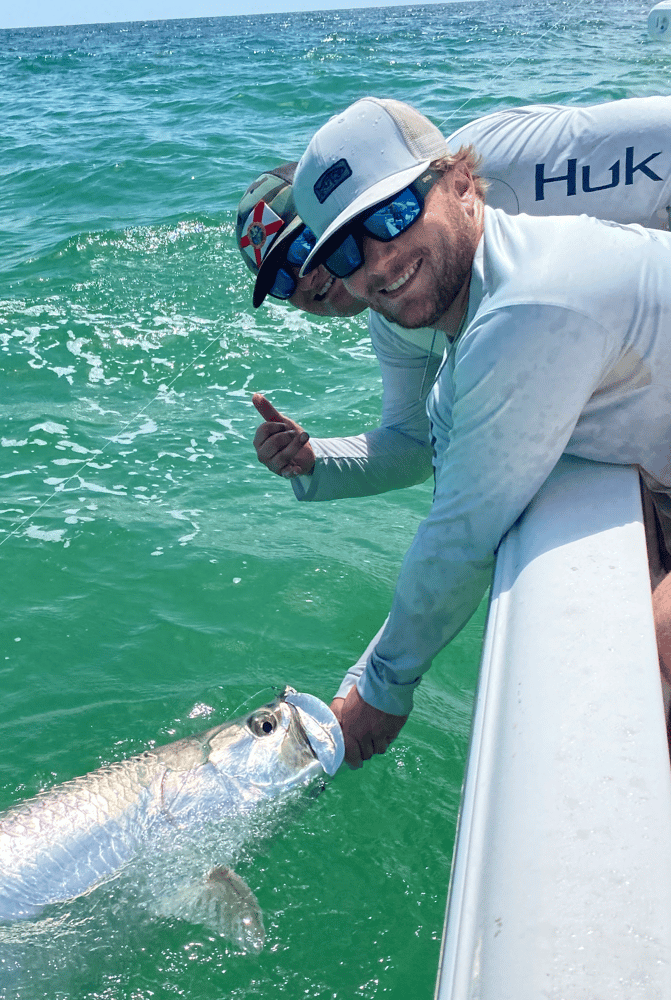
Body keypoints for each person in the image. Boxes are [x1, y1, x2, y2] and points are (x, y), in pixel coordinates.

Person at [278, 96, 671, 768]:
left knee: (644, 665)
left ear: (461, 181)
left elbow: (461, 536)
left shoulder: (526, 305)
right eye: (345, 249)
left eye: (395, 213)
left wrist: (382, 693)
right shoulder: (475, 316)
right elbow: (442, 486)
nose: (378, 260)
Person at [235, 97, 671, 501]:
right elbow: (414, 444)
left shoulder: (492, 162)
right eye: (280, 282)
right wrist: (315, 460)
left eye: (302, 249)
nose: (305, 279)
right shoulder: (396, 318)